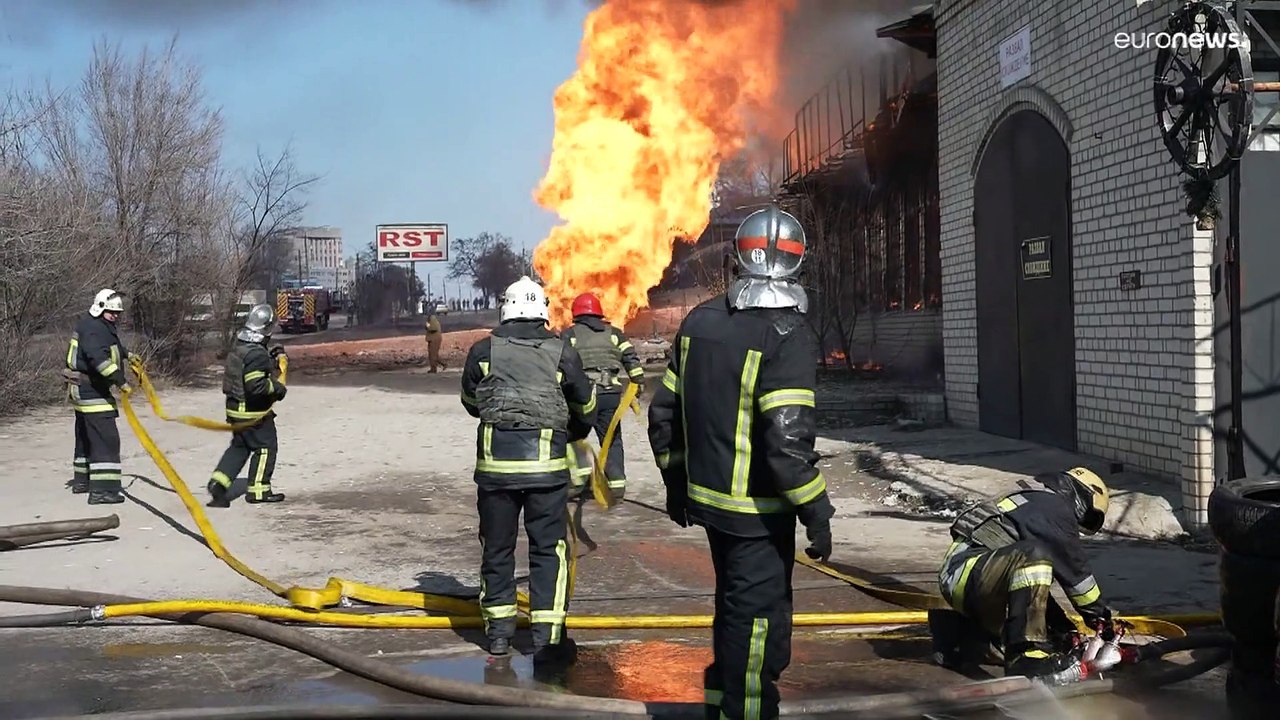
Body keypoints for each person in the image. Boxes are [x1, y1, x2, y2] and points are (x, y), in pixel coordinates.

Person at [648, 205, 834, 720]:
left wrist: (676, 483)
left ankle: (720, 706)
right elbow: (787, 445)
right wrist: (816, 511)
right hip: (757, 514)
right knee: (758, 627)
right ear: (798, 262)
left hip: (710, 507)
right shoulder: (787, 334)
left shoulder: (699, 322)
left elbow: (664, 415)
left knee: (732, 609)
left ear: (738, 256)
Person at [460, 275, 598, 661]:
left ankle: (500, 635)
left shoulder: (483, 351)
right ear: (542, 311)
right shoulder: (562, 353)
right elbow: (585, 410)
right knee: (548, 550)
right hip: (546, 474)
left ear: (505, 308)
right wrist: (567, 429)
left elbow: (471, 401)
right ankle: (547, 637)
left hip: (494, 473)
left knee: (497, 548)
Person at [932, 466, 1114, 679]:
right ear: (1083, 497)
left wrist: (1063, 627)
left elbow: (1028, 586)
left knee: (1035, 568)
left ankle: (956, 635)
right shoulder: (1055, 508)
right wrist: (1100, 616)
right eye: (1089, 516)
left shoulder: (1035, 500)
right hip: (967, 573)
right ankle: (1024, 657)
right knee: (1035, 554)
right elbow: (1076, 574)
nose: (1081, 524)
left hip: (966, 577)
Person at [559, 292, 646, 500]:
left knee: (573, 435)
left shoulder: (570, 335)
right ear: (598, 313)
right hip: (611, 394)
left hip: (583, 395)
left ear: (576, 314)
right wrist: (638, 383)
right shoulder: (614, 333)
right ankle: (616, 485)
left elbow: (561, 364)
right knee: (612, 438)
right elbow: (631, 359)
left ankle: (580, 482)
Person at [207, 304, 288, 508]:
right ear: (266, 329)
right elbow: (256, 386)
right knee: (265, 447)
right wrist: (277, 388)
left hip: (235, 409)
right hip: (252, 413)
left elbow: (249, 369)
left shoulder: (241, 347)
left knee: (240, 447)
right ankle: (259, 490)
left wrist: (270, 357)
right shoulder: (257, 355)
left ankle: (219, 484)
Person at [65, 288, 133, 505]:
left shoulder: (97, 326)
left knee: (86, 434)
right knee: (106, 438)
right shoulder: (94, 328)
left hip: (85, 388)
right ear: (100, 307)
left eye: (118, 313)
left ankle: (82, 481)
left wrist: (128, 355)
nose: (115, 316)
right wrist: (120, 381)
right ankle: (103, 491)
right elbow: (98, 359)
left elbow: (110, 347)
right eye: (112, 312)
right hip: (90, 388)